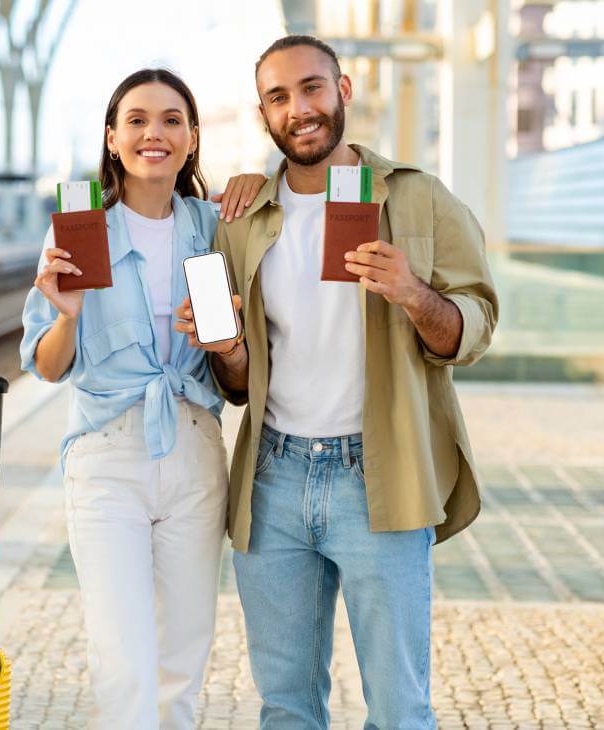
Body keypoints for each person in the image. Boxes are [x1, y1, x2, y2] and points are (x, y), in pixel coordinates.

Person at [176, 35, 499, 729]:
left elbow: (474, 327)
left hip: (381, 475)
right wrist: (227, 350)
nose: (299, 109)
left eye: (312, 88)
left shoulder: (418, 198)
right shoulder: (242, 218)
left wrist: (414, 294)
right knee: (287, 708)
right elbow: (237, 383)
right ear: (264, 113)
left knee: (400, 710)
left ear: (343, 90)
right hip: (273, 478)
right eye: (279, 97)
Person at [20, 68, 265, 729]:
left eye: (170, 120)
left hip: (195, 449)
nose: (153, 133)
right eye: (136, 120)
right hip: (107, 456)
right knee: (123, 656)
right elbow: (47, 367)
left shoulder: (216, 226)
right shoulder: (78, 230)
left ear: (192, 138)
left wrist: (258, 181)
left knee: (184, 654)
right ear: (112, 138)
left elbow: (244, 354)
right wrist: (67, 315)